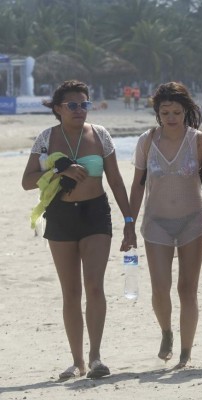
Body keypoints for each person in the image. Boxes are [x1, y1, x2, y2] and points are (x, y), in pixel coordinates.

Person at [21, 80, 136, 380]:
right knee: (71, 292)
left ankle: (96, 357)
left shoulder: (100, 135)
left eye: (84, 104)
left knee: (94, 286)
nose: (79, 110)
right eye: (72, 105)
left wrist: (129, 222)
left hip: (96, 213)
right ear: (58, 109)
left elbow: (116, 181)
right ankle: (77, 361)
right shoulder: (46, 138)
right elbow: (27, 180)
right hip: (60, 215)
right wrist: (60, 169)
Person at [128, 82, 202, 369]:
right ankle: (166, 332)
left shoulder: (199, 141)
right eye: (165, 112)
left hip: (193, 222)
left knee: (187, 289)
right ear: (158, 113)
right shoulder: (147, 141)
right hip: (156, 223)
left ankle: (186, 351)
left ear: (186, 111)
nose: (171, 117)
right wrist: (129, 222)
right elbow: (137, 186)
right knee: (160, 288)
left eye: (177, 111)